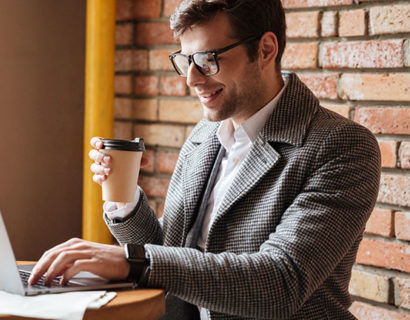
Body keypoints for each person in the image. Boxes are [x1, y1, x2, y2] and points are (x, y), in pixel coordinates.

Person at [29, 0, 381, 319]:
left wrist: (131, 262)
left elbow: (280, 283)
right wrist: (124, 202)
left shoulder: (340, 146)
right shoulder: (205, 135)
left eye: (208, 60)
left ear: (265, 50)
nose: (192, 79)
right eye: (186, 60)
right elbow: (170, 252)